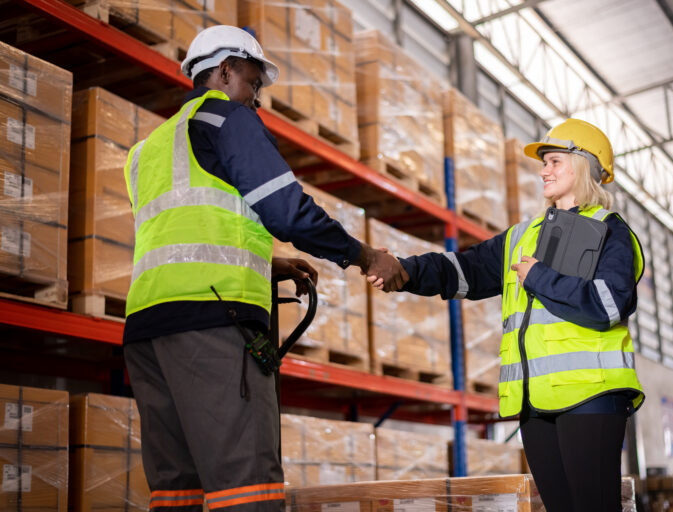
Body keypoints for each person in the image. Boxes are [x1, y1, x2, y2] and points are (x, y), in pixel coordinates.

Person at [122, 25, 408, 511]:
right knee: (246, 488)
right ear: (226, 69)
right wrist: (365, 256)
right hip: (214, 325)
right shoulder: (225, 119)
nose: (256, 100)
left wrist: (267, 262)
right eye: (254, 83)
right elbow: (286, 211)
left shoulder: (148, 147)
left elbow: (181, 232)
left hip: (147, 330)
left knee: (177, 492)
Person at [370, 119, 645, 512]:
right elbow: (464, 270)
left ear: (583, 164)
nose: (543, 170)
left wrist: (539, 277)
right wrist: (405, 269)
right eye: (544, 163)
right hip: (534, 403)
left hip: (592, 396)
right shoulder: (522, 235)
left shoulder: (611, 232)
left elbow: (607, 305)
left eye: (553, 161)